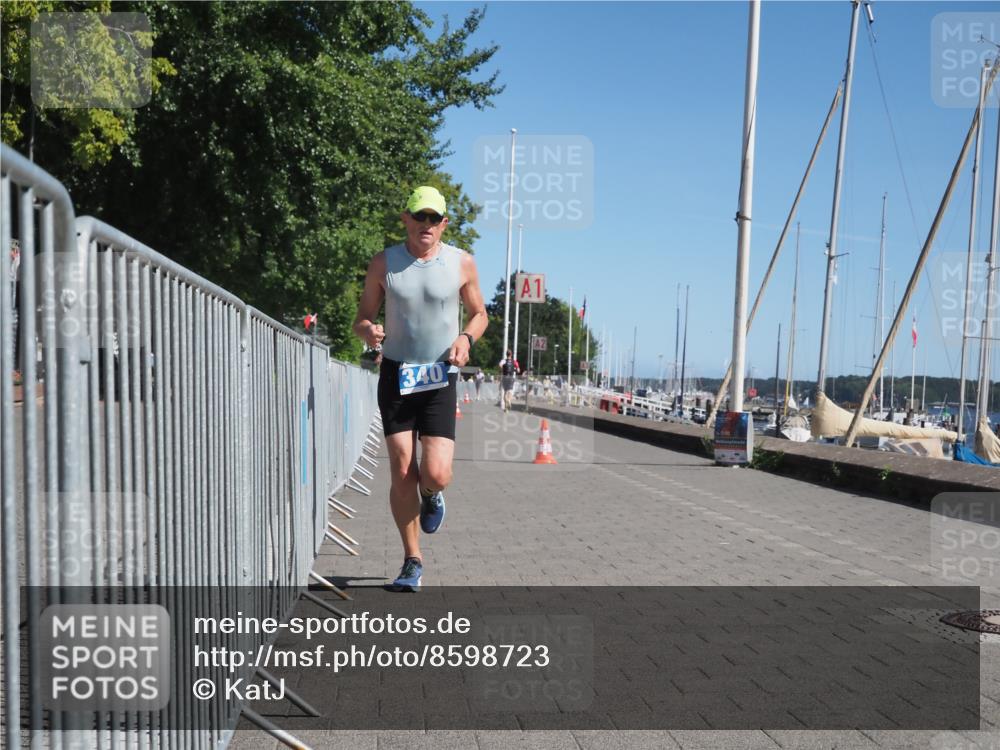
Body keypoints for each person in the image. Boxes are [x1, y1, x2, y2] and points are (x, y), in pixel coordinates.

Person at [353, 186, 487, 592]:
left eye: (435, 218)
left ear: (444, 223)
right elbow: (362, 317)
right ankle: (412, 560)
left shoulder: (462, 263)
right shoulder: (385, 263)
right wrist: (369, 332)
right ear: (406, 219)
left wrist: (465, 339)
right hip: (397, 374)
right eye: (420, 217)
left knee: (436, 472)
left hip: (439, 375)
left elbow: (480, 313)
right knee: (401, 469)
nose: (427, 225)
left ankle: (432, 494)